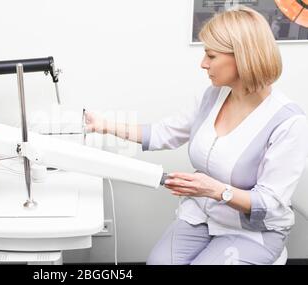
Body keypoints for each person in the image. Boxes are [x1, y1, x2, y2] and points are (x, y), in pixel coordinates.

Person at [84, 6, 308, 265]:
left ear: (243, 57)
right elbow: (162, 133)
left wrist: (216, 190)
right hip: (201, 215)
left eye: (211, 55)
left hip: (253, 232)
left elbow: (269, 202)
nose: (203, 64)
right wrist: (104, 125)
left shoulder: (288, 122)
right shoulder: (212, 96)